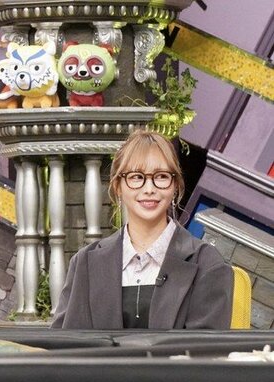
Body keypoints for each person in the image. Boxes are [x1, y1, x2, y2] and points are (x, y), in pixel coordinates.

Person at [51, 130, 232, 329]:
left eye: (161, 176)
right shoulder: (84, 263)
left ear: (175, 186)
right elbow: (64, 342)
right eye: (137, 177)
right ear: (118, 186)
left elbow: (206, 346)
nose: (149, 189)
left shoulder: (207, 264)